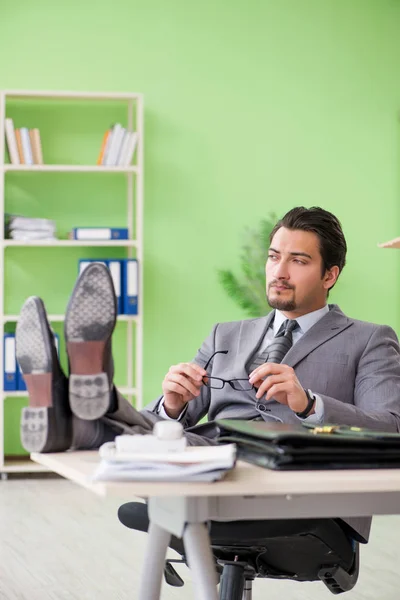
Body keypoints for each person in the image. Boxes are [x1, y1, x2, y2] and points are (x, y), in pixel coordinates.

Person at [16, 206, 400, 546]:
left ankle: (81, 418)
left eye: (298, 261)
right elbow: (164, 426)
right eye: (273, 257)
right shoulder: (226, 334)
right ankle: (83, 410)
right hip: (211, 471)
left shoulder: (369, 339)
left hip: (300, 494)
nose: (279, 272)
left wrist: (310, 404)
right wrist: (173, 402)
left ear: (330, 275)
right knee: (164, 434)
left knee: (146, 445)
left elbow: (391, 427)